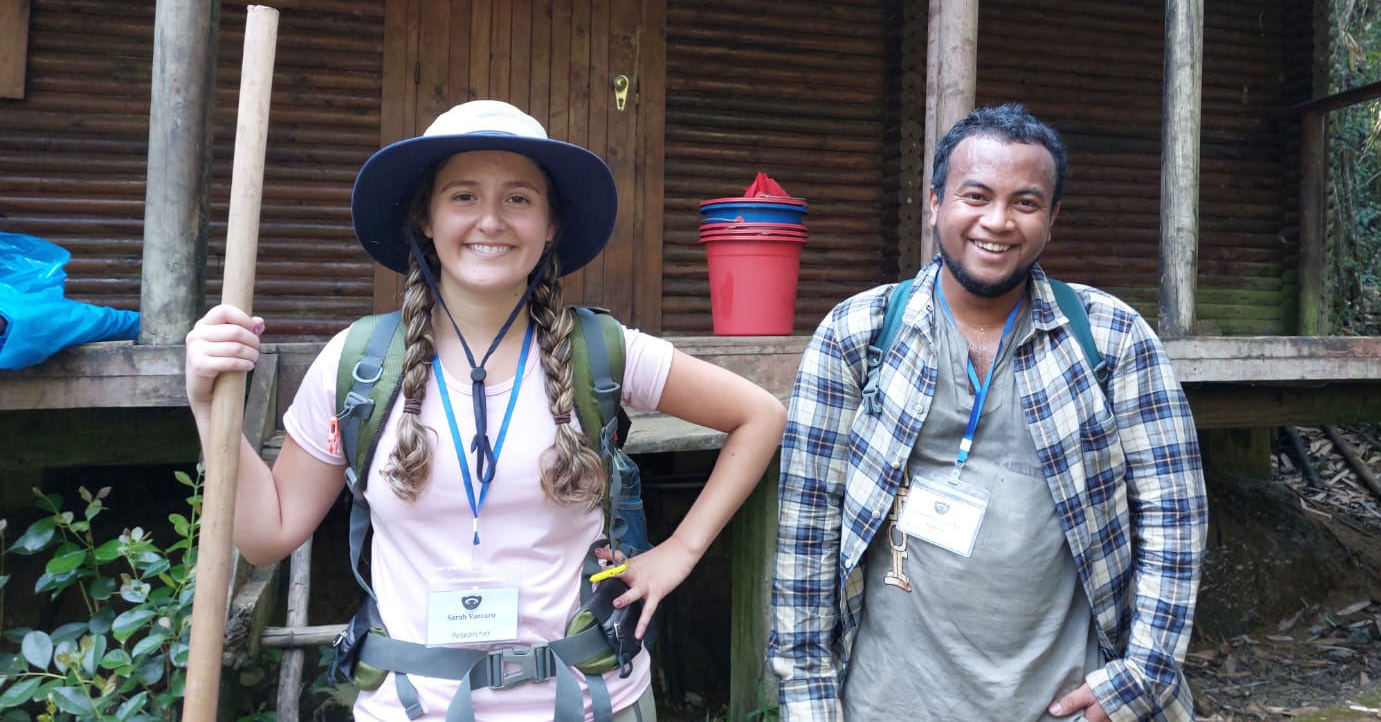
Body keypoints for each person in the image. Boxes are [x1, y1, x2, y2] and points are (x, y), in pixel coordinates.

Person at [186, 100, 786, 722]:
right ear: (426, 218)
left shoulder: (602, 352)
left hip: (590, 704)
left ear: (551, 224)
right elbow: (267, 535)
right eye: (464, 196)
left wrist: (680, 551)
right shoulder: (359, 364)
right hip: (409, 708)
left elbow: (760, 415)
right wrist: (207, 408)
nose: (491, 220)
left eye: (519, 198)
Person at [769, 103, 1207, 721]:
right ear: (935, 203)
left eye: (1025, 203)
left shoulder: (1111, 340)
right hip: (888, 704)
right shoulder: (859, 335)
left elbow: (1174, 518)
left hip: (1064, 705)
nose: (997, 222)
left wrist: (1141, 677)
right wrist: (809, 702)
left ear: (1052, 220)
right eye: (975, 196)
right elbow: (807, 531)